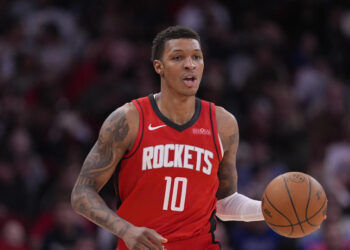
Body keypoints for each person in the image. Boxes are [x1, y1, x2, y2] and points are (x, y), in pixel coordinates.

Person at [71, 25, 264, 250]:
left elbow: (224, 202)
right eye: (178, 57)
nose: (190, 64)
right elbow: (81, 192)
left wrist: (268, 211)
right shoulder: (128, 119)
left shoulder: (223, 124)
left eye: (196, 57)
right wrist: (125, 229)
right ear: (159, 67)